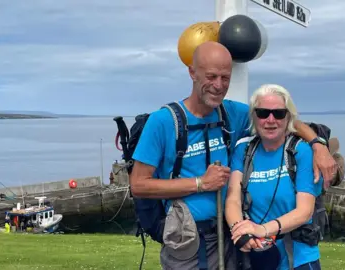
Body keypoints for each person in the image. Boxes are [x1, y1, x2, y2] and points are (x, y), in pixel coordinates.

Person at [130, 41, 333, 270]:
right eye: (211, 76)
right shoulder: (163, 122)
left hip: (231, 235)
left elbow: (281, 120)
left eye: (225, 78)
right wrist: (200, 183)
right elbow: (138, 185)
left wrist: (317, 144)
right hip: (187, 239)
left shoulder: (232, 113)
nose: (218, 85)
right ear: (192, 73)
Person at [225, 84, 323, 270]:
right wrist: (240, 232)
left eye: (278, 114)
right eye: (263, 113)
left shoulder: (300, 152)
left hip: (299, 259)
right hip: (259, 257)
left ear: (288, 117)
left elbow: (305, 211)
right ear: (254, 116)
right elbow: (233, 199)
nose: (271, 120)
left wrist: (261, 230)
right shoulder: (244, 151)